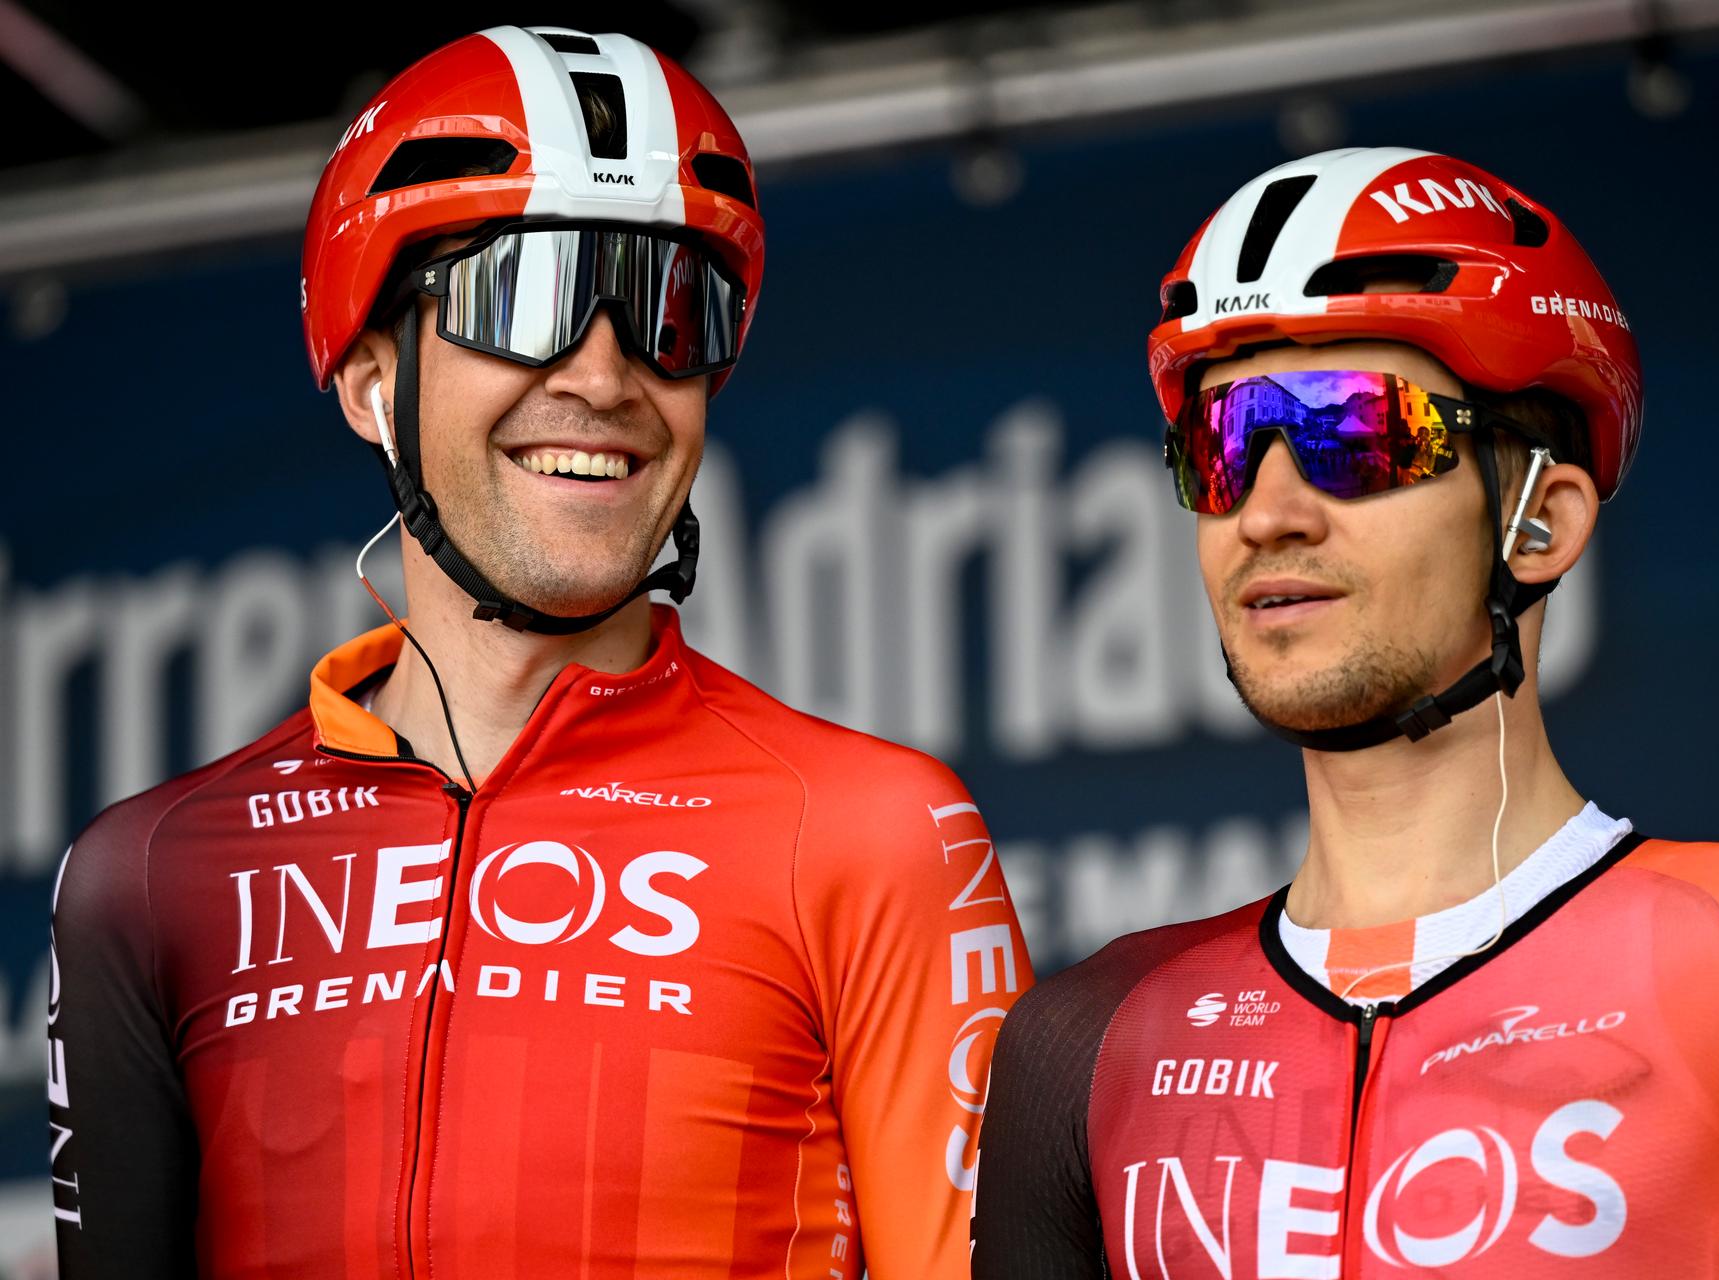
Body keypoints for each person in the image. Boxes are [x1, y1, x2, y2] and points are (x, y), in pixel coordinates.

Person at [48, 26, 1030, 1279]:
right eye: (526, 296)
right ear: (368, 379)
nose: (607, 375)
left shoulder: (872, 829)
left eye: (673, 312)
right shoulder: (147, 875)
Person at [971, 146, 1719, 1277]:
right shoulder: (1086, 1036)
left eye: (1357, 431)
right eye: (1222, 451)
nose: (1269, 512)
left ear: (1540, 523)